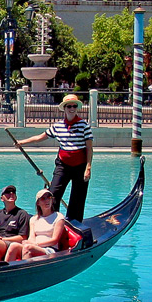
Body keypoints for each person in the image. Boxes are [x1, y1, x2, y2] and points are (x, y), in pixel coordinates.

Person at [14, 93, 93, 221]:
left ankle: (75, 223)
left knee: (78, 198)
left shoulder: (84, 125)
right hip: (63, 165)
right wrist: (22, 142)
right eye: (69, 106)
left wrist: (88, 167)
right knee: (53, 194)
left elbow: (89, 148)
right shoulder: (58, 126)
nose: (71, 108)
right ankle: (51, 220)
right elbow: (40, 137)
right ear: (65, 108)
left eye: (74, 106)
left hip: (80, 166)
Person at [6, 189, 65, 262]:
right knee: (13, 246)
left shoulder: (59, 217)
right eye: (43, 198)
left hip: (50, 249)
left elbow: (54, 240)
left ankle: (26, 271)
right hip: (34, 246)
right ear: (38, 203)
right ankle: (4, 270)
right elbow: (32, 237)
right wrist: (29, 242)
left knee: (28, 248)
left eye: (49, 197)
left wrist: (36, 244)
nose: (47, 200)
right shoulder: (33, 219)